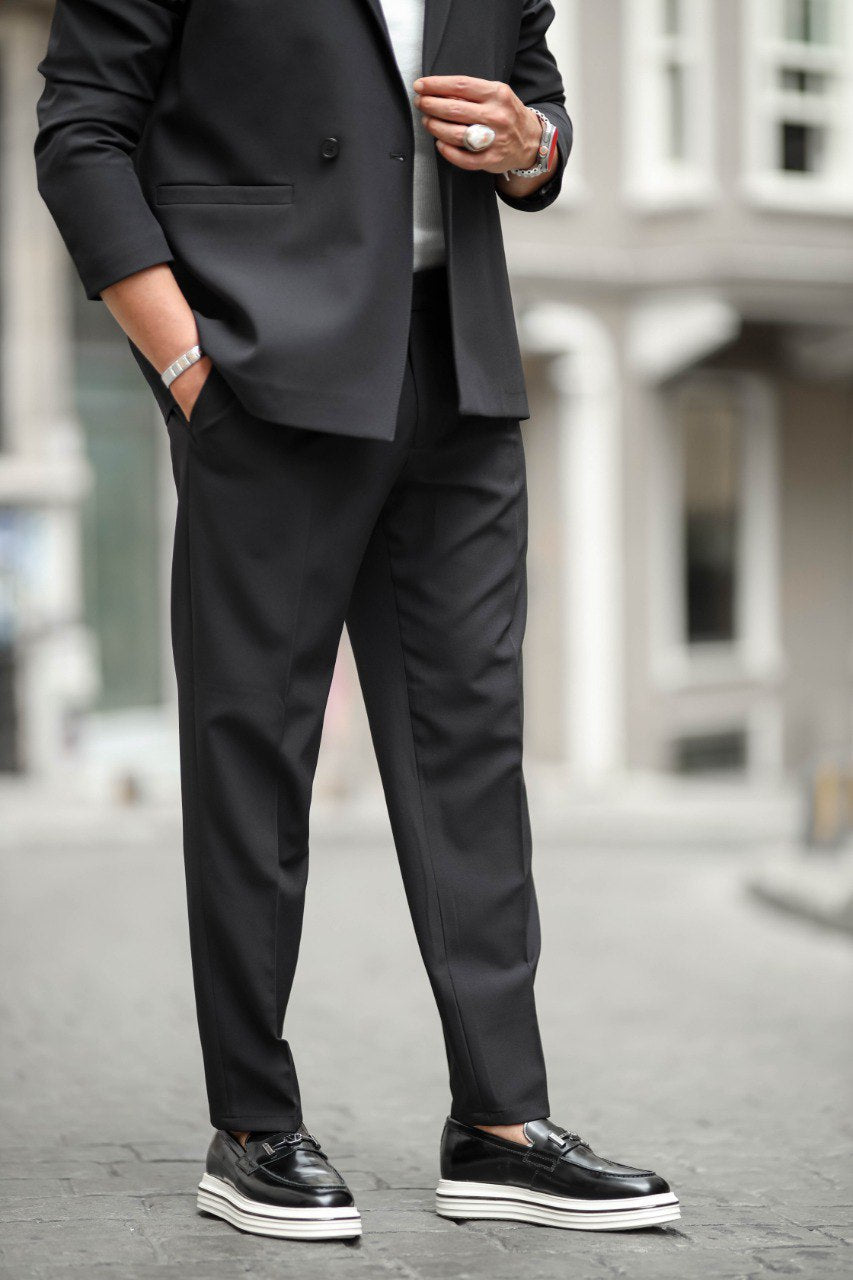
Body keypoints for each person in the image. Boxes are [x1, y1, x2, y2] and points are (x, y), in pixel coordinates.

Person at [34, 0, 680, 1241]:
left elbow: (532, 85)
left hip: (459, 365)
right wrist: (186, 372)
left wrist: (530, 143)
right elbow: (82, 136)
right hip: (261, 374)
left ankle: (499, 1122)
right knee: (253, 750)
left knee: (474, 748)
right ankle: (252, 1122)